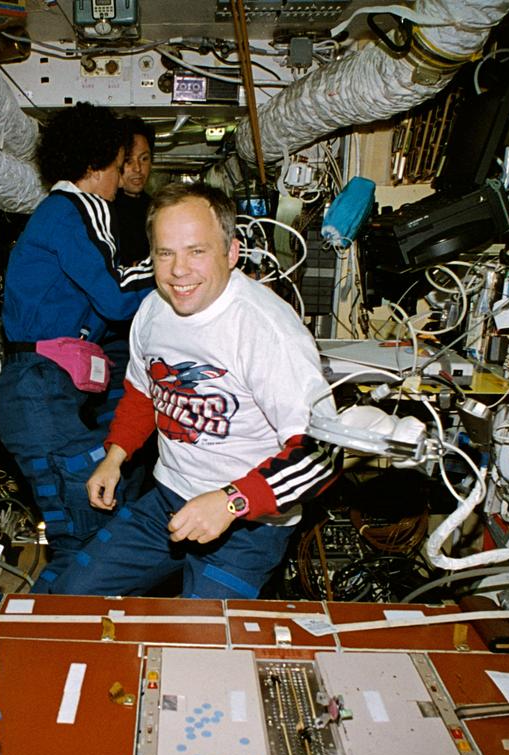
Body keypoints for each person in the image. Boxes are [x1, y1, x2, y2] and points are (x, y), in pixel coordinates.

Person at [51, 183, 343, 600]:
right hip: (168, 497)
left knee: (199, 636)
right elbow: (143, 392)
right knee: (69, 596)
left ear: (231, 253)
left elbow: (322, 453)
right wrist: (115, 457)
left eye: (196, 251)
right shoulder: (154, 309)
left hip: (250, 524)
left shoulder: (265, 330)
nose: (178, 271)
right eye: (165, 254)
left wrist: (231, 502)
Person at [0, 102, 151, 590]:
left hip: (38, 391)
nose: (122, 177)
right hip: (38, 393)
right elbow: (116, 296)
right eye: (120, 164)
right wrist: (179, 270)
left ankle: (50, 625)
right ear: (97, 164)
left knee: (84, 535)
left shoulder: (56, 212)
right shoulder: (79, 209)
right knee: (90, 537)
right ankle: (49, 627)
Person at [110, 116, 155, 267]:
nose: (137, 168)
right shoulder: (104, 211)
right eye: (128, 161)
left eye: (144, 159)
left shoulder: (157, 209)